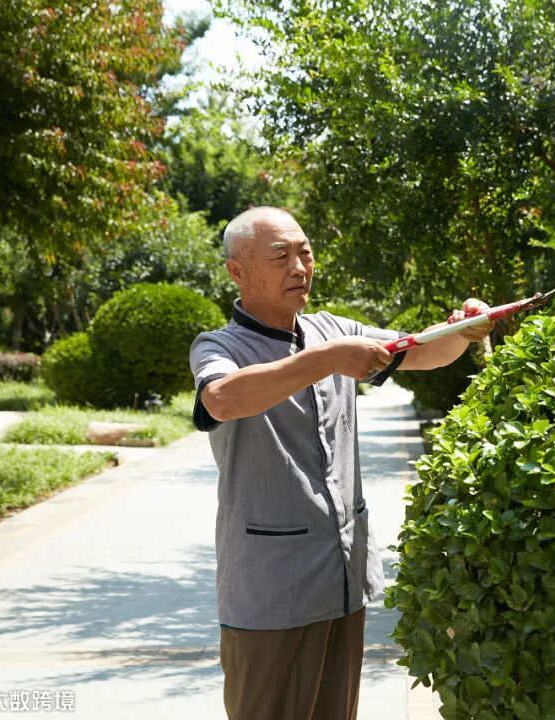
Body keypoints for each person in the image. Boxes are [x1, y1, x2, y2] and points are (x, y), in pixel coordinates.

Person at [188, 206, 493, 720]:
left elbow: (419, 353)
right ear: (237, 270)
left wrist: (462, 331)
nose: (299, 268)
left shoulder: (332, 329)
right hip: (271, 594)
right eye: (281, 256)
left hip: (342, 580)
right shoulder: (220, 346)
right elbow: (221, 399)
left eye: (305, 253)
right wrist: (327, 359)